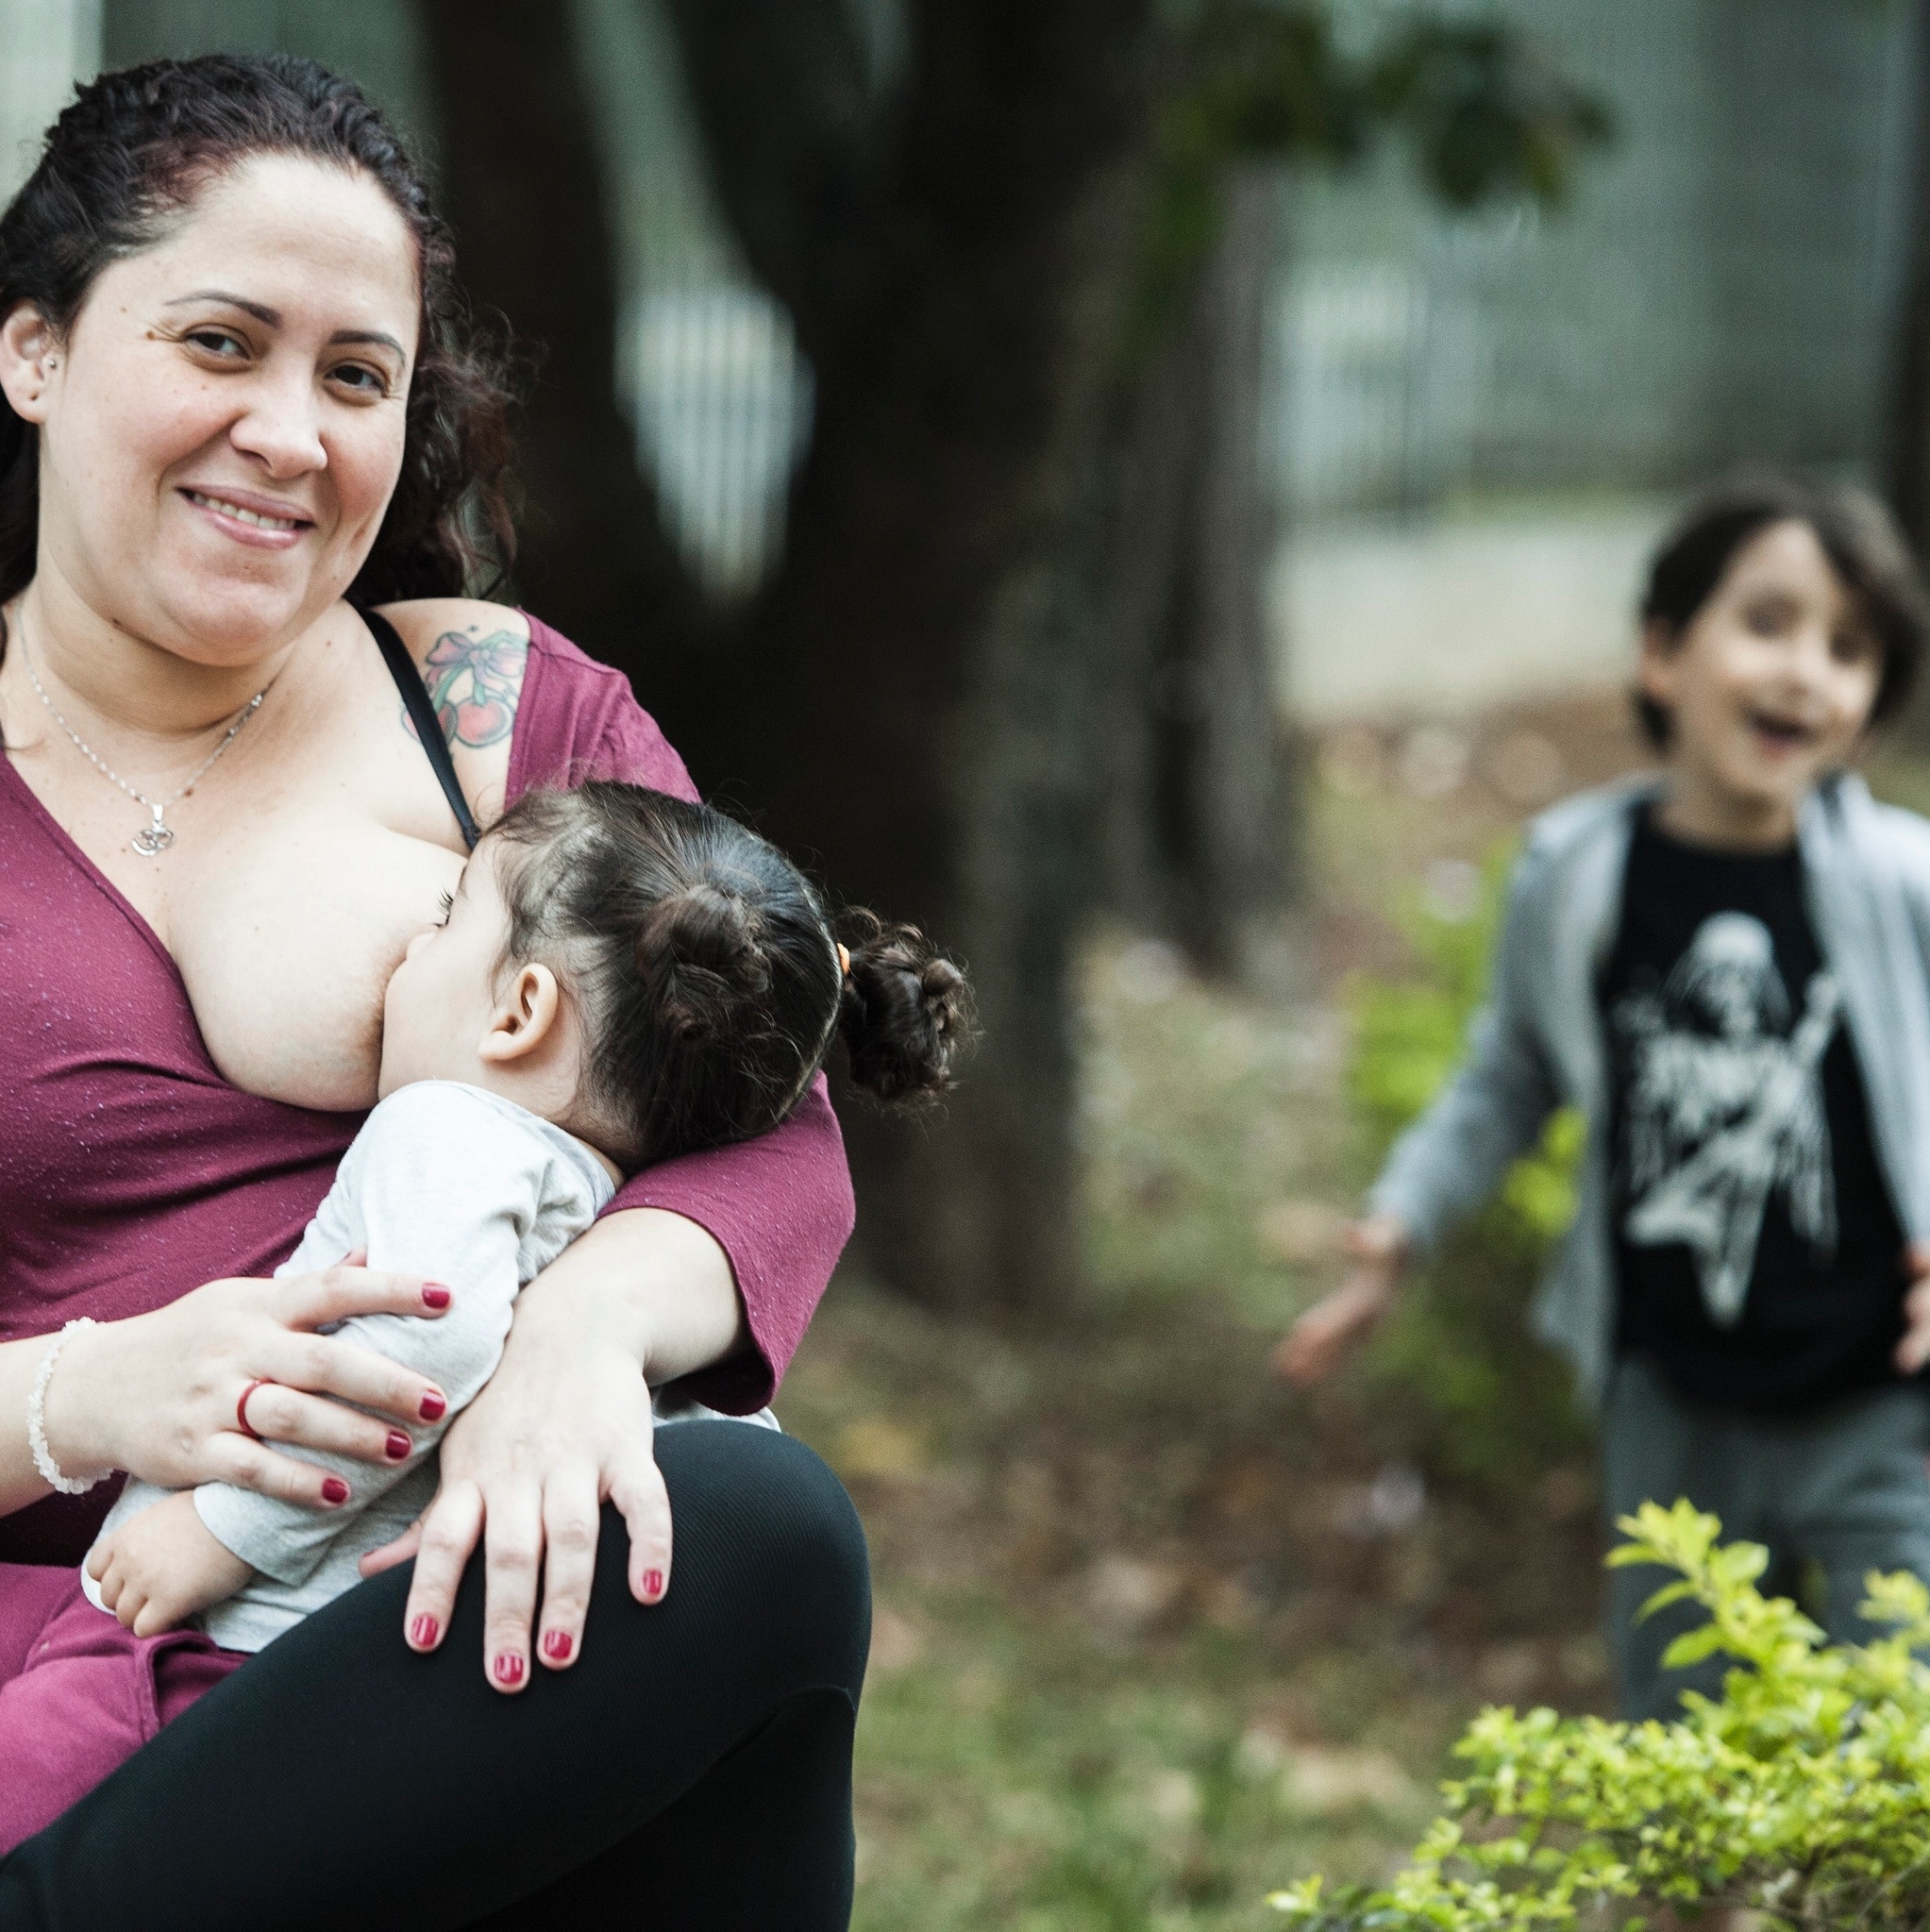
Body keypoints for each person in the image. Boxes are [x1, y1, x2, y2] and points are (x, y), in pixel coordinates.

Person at [0, 52, 877, 1928]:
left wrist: (564, 1348)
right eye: (220, 343)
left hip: (435, 1593)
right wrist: (88, 1398)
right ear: (38, 353)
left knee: (751, 1533)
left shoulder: (494, 713)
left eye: (354, 376)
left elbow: (771, 1132)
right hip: (80, 1635)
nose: (290, 435)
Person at [0, 781, 968, 1852]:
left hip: (214, 1639)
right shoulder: (603, 1197)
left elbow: (425, 1341)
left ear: (521, 1012)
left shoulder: (443, 1130)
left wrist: (223, 1530)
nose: (410, 950)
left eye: (447, 915)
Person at [1275, 472, 1930, 1721]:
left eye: (1849, 647)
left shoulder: (1906, 883)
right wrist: (1401, 1218)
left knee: (1896, 1766)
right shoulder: (1578, 872)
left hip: (1877, 1406)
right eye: (1769, 621)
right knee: (1675, 1777)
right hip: (1669, 1401)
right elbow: (1509, 1071)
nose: (1806, 670)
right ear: (1663, 649)